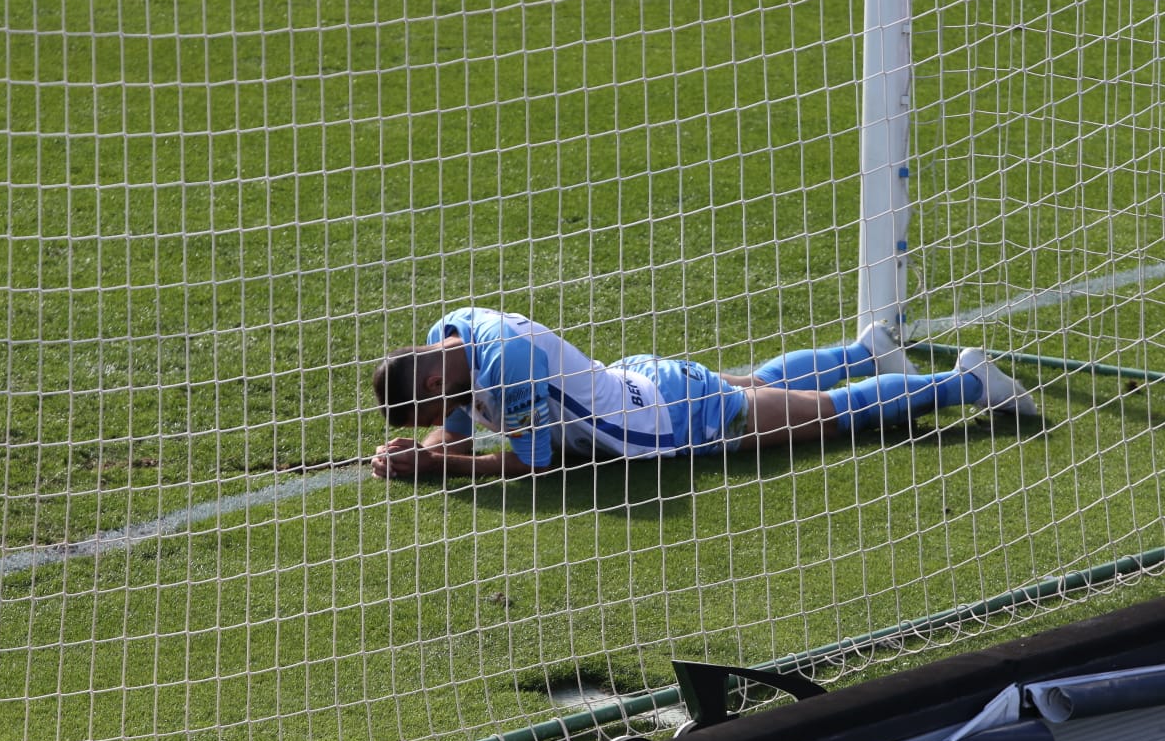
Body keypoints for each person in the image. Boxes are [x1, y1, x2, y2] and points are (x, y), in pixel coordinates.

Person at [370, 307, 1036, 479]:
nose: (445, 418)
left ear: (432, 377)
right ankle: (865, 352)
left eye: (432, 407)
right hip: (637, 381)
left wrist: (433, 464)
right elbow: (454, 423)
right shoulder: (451, 332)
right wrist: (425, 444)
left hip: (668, 420)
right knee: (763, 384)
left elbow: (529, 463)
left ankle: (969, 380)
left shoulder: (508, 365)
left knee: (826, 416)